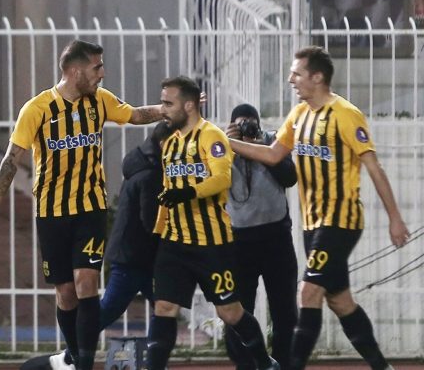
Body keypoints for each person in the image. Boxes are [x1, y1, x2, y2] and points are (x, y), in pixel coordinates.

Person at [227, 46, 409, 370]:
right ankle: (382, 366)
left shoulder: (346, 114)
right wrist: (226, 142)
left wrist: (395, 218)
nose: (291, 79)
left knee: (308, 292)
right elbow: (273, 155)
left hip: (340, 220)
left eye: (296, 73)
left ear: (317, 77)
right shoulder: (299, 115)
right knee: (340, 301)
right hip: (312, 225)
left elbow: (374, 166)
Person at [0, 39, 164, 370]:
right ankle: (72, 356)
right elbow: (11, 160)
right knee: (66, 293)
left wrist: (167, 108)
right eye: (96, 67)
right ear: (74, 71)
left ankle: (84, 363)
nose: (102, 73)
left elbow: (135, 114)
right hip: (51, 213)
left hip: (90, 209)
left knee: (86, 284)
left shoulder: (100, 100)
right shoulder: (37, 109)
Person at [148, 76, 279, 370]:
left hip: (211, 245)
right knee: (164, 308)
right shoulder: (170, 143)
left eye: (168, 103)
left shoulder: (212, 136)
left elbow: (222, 178)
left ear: (189, 105)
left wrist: (189, 192)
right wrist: (157, 234)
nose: (162, 109)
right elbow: (167, 193)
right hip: (173, 243)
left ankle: (264, 363)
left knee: (229, 312)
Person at [223, 104, 298, 370]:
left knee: (285, 311)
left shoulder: (272, 142)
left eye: (250, 123)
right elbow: (212, 179)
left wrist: (259, 148)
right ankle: (247, 365)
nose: (247, 129)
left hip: (276, 238)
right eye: (240, 124)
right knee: (238, 311)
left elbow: (290, 177)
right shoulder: (223, 146)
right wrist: (228, 145)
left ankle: (284, 364)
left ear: (258, 123)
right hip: (239, 242)